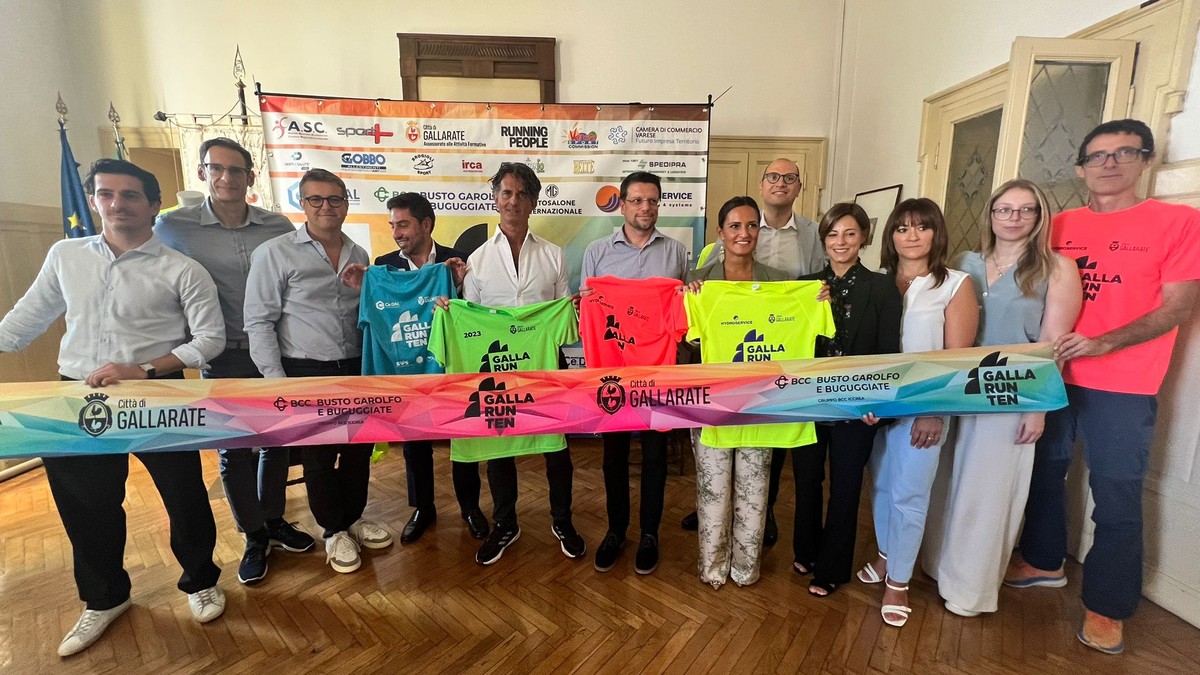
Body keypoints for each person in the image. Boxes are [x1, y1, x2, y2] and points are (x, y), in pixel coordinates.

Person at [0, 159, 227, 656]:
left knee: (184, 495)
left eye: (130, 195)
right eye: (106, 194)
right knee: (86, 505)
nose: (116, 204)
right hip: (77, 397)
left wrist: (144, 368)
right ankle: (104, 598)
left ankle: (201, 580)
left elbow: (210, 339)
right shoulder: (66, 255)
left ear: (153, 205)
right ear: (94, 201)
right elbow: (22, 323)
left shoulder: (182, 269)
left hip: (157, 394)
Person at [1005, 119, 1200, 654]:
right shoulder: (1058, 224)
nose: (1109, 164)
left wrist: (1103, 343)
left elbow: (1178, 307)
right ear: (1080, 169)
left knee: (1115, 492)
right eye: (1097, 156)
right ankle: (1043, 560)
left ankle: (1108, 606)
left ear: (1146, 160)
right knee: (1044, 473)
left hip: (1124, 382)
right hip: (1051, 375)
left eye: (1124, 153)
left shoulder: (1179, 222)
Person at [919, 179, 1082, 618]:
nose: (1014, 217)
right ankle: (937, 567)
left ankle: (969, 590)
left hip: (1011, 394)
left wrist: (1039, 409)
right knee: (946, 483)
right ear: (991, 215)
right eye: (1004, 209)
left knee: (987, 496)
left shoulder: (1058, 268)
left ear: (1039, 216)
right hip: (955, 388)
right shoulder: (964, 262)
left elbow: (1053, 344)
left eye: (1025, 209)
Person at [155, 137, 314, 586]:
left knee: (277, 440)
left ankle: (275, 520)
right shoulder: (173, 227)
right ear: (203, 172)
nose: (227, 177)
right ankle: (253, 535)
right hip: (220, 352)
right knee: (235, 449)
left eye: (236, 170)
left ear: (249, 176)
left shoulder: (277, 225)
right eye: (217, 168)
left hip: (277, 348)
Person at [244, 168, 393, 575]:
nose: (326, 207)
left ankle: (353, 519)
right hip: (304, 370)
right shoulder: (275, 253)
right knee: (319, 458)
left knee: (359, 450)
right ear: (302, 203)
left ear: (346, 204)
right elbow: (258, 321)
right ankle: (333, 531)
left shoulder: (359, 253)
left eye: (335, 199)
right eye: (316, 199)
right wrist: (278, 383)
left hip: (356, 367)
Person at [683, 196, 833, 588]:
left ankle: (746, 568)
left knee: (754, 490)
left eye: (752, 225)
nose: (744, 233)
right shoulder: (698, 281)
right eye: (735, 226)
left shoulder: (780, 283)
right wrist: (693, 300)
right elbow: (686, 342)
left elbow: (803, 328)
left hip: (761, 403)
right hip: (712, 404)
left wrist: (816, 300)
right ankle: (713, 568)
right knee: (713, 491)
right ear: (720, 232)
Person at [455, 162, 585, 565]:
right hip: (496, 372)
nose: (514, 201)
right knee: (499, 449)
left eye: (523, 193)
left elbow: (566, 323)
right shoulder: (477, 260)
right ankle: (505, 523)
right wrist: (449, 306)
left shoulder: (553, 255)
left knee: (557, 451)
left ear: (534, 201)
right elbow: (470, 321)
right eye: (507, 192)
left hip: (545, 369)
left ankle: (562, 520)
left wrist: (574, 309)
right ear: (495, 198)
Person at [341, 192, 486, 544]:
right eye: (393, 225)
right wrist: (363, 287)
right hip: (405, 373)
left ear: (426, 224)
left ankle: (470, 507)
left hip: (450, 367)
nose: (396, 233)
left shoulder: (456, 260)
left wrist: (459, 285)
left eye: (403, 225)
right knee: (413, 442)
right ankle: (423, 508)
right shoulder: (382, 266)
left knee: (463, 438)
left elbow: (474, 312)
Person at [859, 198, 978, 627]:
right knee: (882, 486)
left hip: (923, 409)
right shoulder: (877, 280)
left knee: (910, 493)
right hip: (878, 406)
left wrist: (934, 413)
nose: (911, 235)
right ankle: (886, 555)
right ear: (890, 235)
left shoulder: (955, 284)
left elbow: (956, 359)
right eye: (902, 228)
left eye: (921, 227)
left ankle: (900, 581)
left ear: (936, 234)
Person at [580, 171, 688, 575]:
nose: (646, 208)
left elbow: (684, 315)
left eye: (653, 201)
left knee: (656, 454)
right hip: (611, 373)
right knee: (614, 456)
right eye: (638, 200)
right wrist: (585, 301)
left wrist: (686, 297)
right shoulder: (596, 252)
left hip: (657, 373)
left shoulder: (677, 252)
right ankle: (615, 531)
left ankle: (649, 534)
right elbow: (585, 311)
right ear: (622, 204)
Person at [792, 203, 902, 597]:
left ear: (863, 239)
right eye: (833, 234)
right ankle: (806, 551)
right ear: (823, 240)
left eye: (850, 233)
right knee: (807, 481)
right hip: (807, 402)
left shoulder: (882, 287)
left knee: (845, 486)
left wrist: (881, 407)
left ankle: (833, 568)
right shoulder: (804, 285)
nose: (841, 242)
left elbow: (888, 353)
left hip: (857, 406)